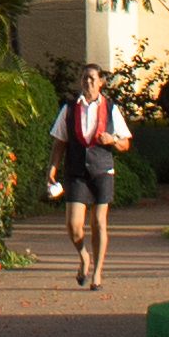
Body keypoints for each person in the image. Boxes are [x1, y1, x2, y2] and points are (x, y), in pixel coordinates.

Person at [49, 71, 133, 289]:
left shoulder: (111, 108)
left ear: (101, 83)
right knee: (73, 224)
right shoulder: (69, 109)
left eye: (92, 78)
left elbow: (125, 144)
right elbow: (59, 142)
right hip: (76, 171)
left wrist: (113, 139)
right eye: (85, 78)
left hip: (102, 170)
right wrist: (52, 169)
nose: (88, 82)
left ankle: (97, 273)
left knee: (98, 222)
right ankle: (84, 256)